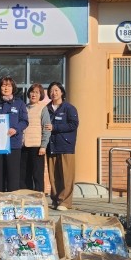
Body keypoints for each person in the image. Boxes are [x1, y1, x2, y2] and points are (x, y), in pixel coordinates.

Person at [0, 76, 29, 192]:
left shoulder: (20, 103)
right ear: (0, 87)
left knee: (13, 176)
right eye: (3, 85)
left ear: (13, 88)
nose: (6, 88)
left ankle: (12, 200)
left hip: (13, 144)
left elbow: (25, 121)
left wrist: (16, 129)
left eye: (9, 85)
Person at [45, 81, 79, 211]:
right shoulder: (46, 108)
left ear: (62, 92)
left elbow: (73, 124)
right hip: (51, 146)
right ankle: (55, 200)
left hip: (65, 145)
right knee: (53, 176)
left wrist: (55, 127)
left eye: (56, 90)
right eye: (51, 91)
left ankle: (65, 202)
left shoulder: (69, 108)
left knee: (66, 176)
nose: (53, 93)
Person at [20, 83, 51, 192]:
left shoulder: (43, 108)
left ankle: (39, 196)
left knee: (37, 174)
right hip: (23, 146)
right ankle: (26, 196)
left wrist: (43, 145)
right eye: (32, 92)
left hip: (37, 146)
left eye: (37, 92)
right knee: (24, 174)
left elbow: (46, 127)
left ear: (41, 95)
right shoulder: (24, 107)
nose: (34, 94)